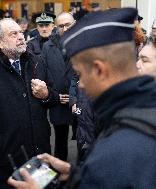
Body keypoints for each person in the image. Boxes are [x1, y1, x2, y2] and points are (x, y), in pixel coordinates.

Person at [8, 8, 156, 189]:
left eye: (80, 74)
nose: (81, 85)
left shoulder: (116, 149)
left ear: (99, 69)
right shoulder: (137, 110)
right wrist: (75, 173)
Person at [0, 18, 59, 188]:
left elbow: (54, 97)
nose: (21, 37)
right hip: (3, 162)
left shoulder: (37, 63)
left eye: (21, 32)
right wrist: (2, 143)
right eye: (13, 34)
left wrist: (46, 95)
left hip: (39, 156)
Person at [42, 12, 77, 161]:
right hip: (59, 102)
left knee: (83, 140)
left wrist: (75, 97)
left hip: (79, 101)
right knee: (60, 141)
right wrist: (54, 96)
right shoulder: (47, 46)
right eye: (60, 26)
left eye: (67, 25)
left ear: (75, 23)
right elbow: (45, 73)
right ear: (56, 27)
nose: (64, 28)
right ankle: (60, 174)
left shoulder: (85, 44)